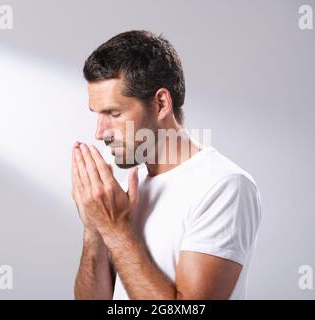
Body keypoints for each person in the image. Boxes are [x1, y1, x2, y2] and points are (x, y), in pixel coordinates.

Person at [71, 30, 262, 299]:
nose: (101, 132)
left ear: (161, 103)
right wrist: (95, 227)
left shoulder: (223, 186)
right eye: (98, 115)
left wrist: (115, 229)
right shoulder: (126, 193)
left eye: (114, 113)